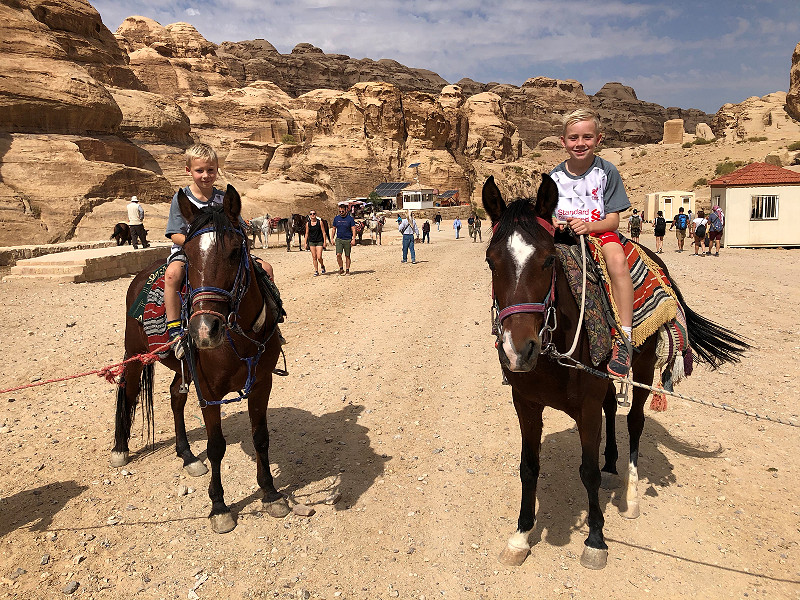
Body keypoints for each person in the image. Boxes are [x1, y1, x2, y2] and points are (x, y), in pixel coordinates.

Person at [164, 143, 278, 358]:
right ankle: (174, 330)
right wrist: (196, 242)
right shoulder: (182, 199)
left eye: (211, 170)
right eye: (200, 171)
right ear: (189, 171)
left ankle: (271, 320)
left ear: (217, 169)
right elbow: (173, 233)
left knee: (265, 268)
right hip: (190, 251)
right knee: (172, 275)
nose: (206, 175)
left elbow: (237, 228)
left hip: (222, 251)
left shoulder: (222, 198)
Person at [550, 108, 634, 378]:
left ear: (599, 139)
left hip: (599, 234)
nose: (580, 143)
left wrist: (589, 227)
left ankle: (624, 338)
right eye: (573, 138)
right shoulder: (555, 177)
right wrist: (556, 222)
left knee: (618, 262)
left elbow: (613, 220)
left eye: (587, 137)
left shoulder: (606, 171)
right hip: (564, 237)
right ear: (563, 142)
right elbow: (550, 213)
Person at [331, 203, 356, 275]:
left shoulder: (350, 219)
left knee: (347, 255)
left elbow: (353, 229)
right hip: (339, 239)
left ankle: (347, 269)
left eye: (342, 211)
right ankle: (341, 268)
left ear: (346, 210)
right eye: (340, 211)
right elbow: (333, 229)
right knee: (338, 254)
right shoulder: (336, 218)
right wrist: (332, 238)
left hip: (348, 239)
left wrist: (353, 239)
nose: (341, 213)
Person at [305, 210, 330, 275]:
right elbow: (306, 233)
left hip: (319, 241)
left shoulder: (320, 222)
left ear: (316, 214)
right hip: (312, 241)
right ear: (309, 216)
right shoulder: (308, 224)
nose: (312, 215)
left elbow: (324, 232)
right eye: (311, 214)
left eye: (314, 213)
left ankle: (322, 265)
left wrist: (324, 242)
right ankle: (316, 270)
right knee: (314, 256)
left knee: (319, 256)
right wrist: (305, 243)